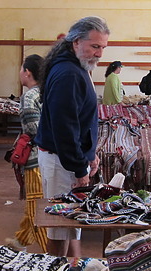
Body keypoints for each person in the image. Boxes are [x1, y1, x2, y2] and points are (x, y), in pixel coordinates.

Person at [34, 16, 109, 257]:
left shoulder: (78, 66)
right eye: (95, 46)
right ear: (76, 42)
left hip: (66, 159)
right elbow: (65, 129)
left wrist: (89, 154)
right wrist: (79, 169)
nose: (99, 54)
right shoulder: (68, 73)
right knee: (59, 227)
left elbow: (81, 120)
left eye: (103, 48)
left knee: (70, 226)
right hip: (60, 162)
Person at [5, 54, 48, 252]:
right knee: (38, 201)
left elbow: (35, 129)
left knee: (35, 204)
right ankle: (22, 239)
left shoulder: (30, 96)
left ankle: (51, 251)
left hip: (36, 158)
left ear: (27, 72)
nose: (20, 73)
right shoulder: (47, 92)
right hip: (47, 158)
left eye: (21, 68)